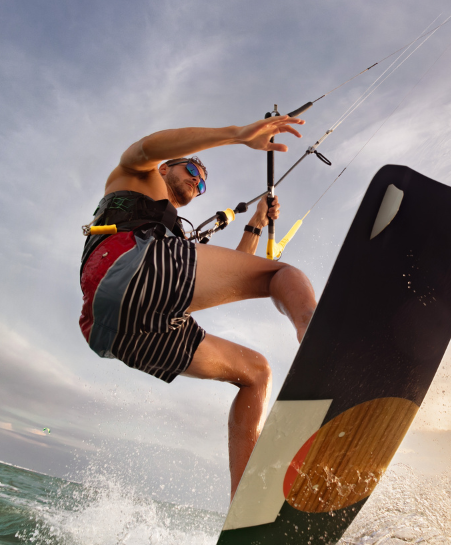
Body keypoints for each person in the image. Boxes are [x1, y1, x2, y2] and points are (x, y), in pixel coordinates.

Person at [78, 115, 316, 498]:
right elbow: (146, 147)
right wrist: (236, 134)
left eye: (203, 183)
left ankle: (245, 501)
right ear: (166, 168)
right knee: (286, 276)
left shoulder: (171, 237)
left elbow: (234, 274)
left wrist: (255, 223)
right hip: (127, 268)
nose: (197, 181)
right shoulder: (137, 176)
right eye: (192, 169)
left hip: (117, 330)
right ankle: (322, 350)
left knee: (256, 372)